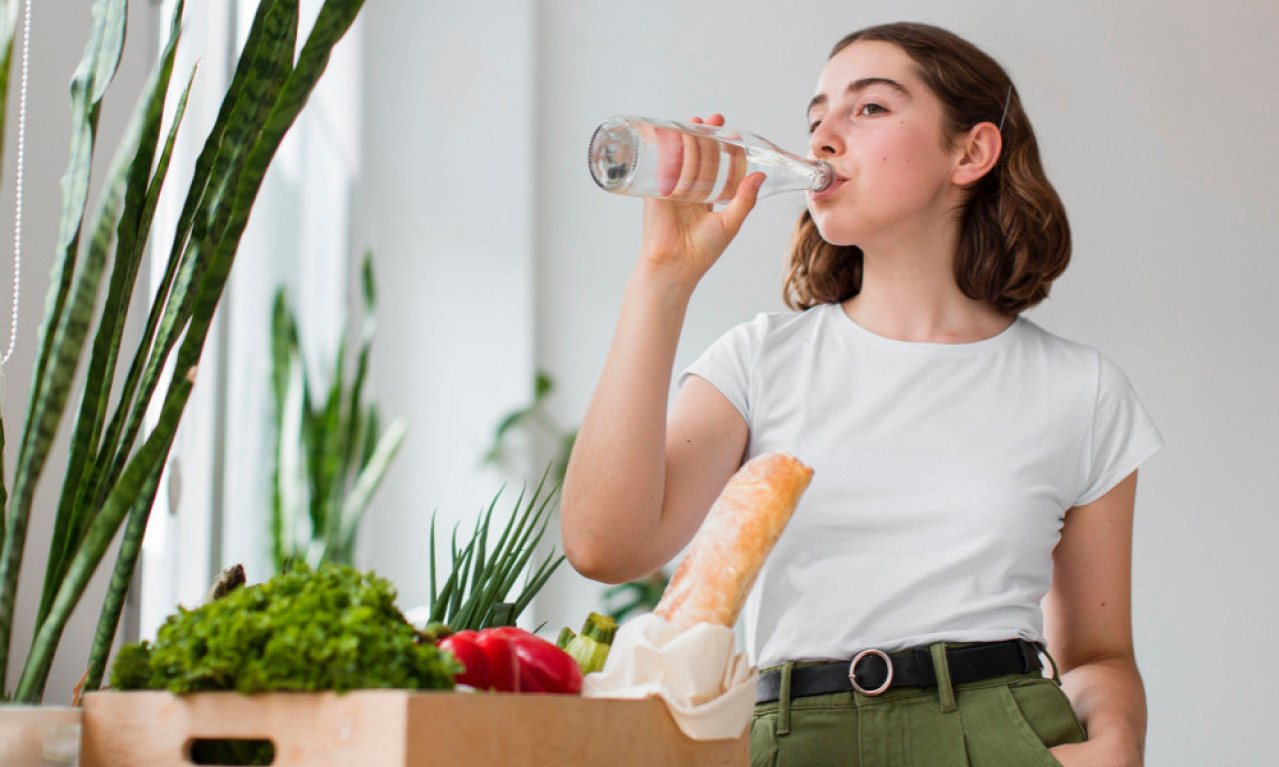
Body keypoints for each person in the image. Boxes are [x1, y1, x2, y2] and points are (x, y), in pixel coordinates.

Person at [561, 21, 1162, 767]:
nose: (822, 137)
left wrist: (1115, 746)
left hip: (1004, 735)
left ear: (970, 152)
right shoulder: (757, 361)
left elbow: (1098, 654)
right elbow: (604, 546)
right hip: (793, 739)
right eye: (815, 118)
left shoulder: (1082, 389)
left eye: (869, 107)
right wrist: (663, 275)